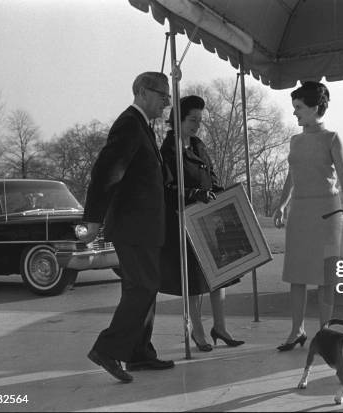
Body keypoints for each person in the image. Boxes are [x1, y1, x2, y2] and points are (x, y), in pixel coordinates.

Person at [81, 71, 175, 383]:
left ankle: (139, 354)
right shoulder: (128, 125)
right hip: (132, 226)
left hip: (146, 227)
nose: (167, 102)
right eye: (163, 95)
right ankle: (107, 349)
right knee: (143, 287)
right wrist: (93, 219)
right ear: (143, 92)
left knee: (145, 287)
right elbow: (106, 173)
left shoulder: (144, 128)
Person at [273, 81, 343, 351]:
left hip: (328, 213)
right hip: (299, 212)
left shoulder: (331, 138)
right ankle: (296, 330)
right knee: (296, 273)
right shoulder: (295, 140)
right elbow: (291, 176)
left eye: (298, 108)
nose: (295, 113)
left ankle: (325, 332)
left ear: (314, 108)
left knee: (325, 276)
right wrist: (282, 204)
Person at [160, 95, 244, 352]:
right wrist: (194, 194)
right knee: (195, 280)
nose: (197, 125)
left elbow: (212, 174)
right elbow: (167, 187)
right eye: (192, 120)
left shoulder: (198, 145)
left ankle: (220, 327)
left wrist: (222, 194)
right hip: (185, 222)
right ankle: (197, 331)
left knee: (220, 276)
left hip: (210, 219)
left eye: (199, 120)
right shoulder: (168, 150)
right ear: (178, 120)